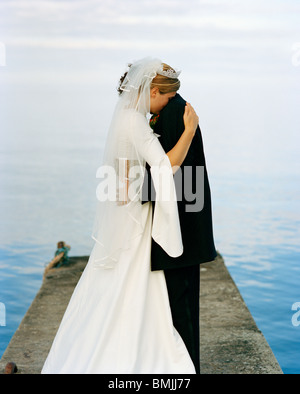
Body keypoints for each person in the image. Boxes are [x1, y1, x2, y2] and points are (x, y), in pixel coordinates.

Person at [41, 57, 199, 374]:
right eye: (167, 97)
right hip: (136, 221)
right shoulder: (135, 122)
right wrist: (190, 130)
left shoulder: (126, 118)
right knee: (132, 283)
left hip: (125, 213)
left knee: (114, 285)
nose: (168, 104)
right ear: (153, 91)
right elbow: (167, 165)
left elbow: (123, 178)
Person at [143, 93, 217, 374]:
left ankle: (188, 371)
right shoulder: (175, 108)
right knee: (176, 308)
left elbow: (169, 172)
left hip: (180, 230)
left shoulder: (174, 113)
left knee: (182, 310)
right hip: (180, 224)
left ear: (160, 91)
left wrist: (134, 189)